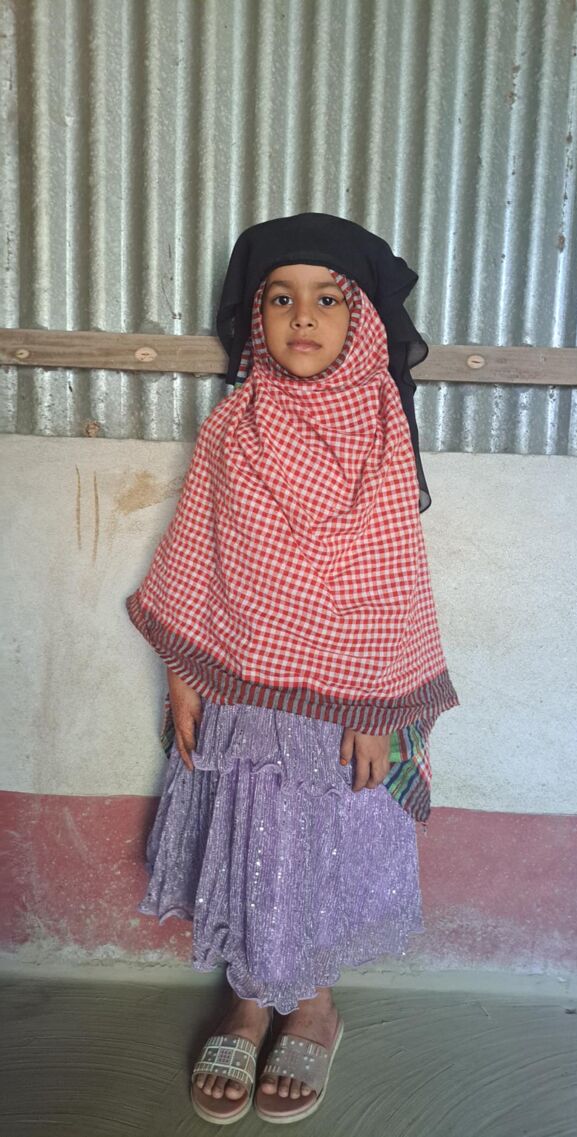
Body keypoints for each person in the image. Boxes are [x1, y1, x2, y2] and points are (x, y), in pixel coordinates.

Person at [126, 213, 459, 1125]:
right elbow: (199, 553)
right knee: (253, 837)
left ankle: (313, 1005)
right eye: (280, 298)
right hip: (239, 693)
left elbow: (392, 579)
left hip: (346, 710)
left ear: (363, 321)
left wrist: (377, 705)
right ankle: (247, 1000)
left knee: (319, 842)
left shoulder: (379, 434)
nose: (301, 316)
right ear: (255, 316)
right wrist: (184, 667)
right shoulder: (235, 427)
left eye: (326, 299)